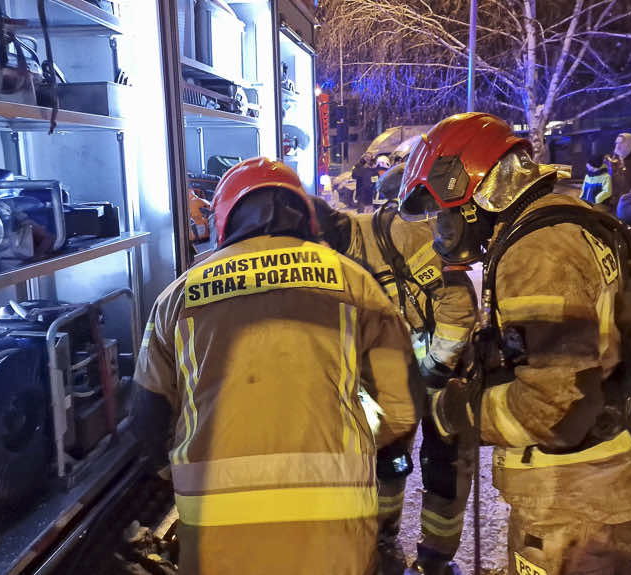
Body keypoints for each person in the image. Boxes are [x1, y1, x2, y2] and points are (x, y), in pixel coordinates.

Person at [398, 113, 631, 575]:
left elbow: (554, 407)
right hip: (591, 481)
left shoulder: (538, 252)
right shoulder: (568, 222)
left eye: (444, 211)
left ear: (474, 190)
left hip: (572, 496)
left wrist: (457, 410)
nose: (442, 226)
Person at [131, 157, 423, 575]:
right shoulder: (353, 281)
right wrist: (350, 441)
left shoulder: (178, 296)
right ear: (305, 215)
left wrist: (182, 469)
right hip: (332, 525)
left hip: (217, 533)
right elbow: (401, 407)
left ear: (225, 219)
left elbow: (147, 414)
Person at [314, 163, 478, 575]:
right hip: (386, 374)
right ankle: (383, 540)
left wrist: (437, 367)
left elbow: (457, 302)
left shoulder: (398, 234)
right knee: (386, 457)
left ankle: (436, 558)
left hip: (442, 365)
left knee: (444, 463)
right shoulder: (324, 268)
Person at [606, 132, 631, 206]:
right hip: (612, 201)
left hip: (628, 202)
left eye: (621, 143)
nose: (618, 146)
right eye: (617, 143)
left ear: (630, 144)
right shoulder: (612, 160)